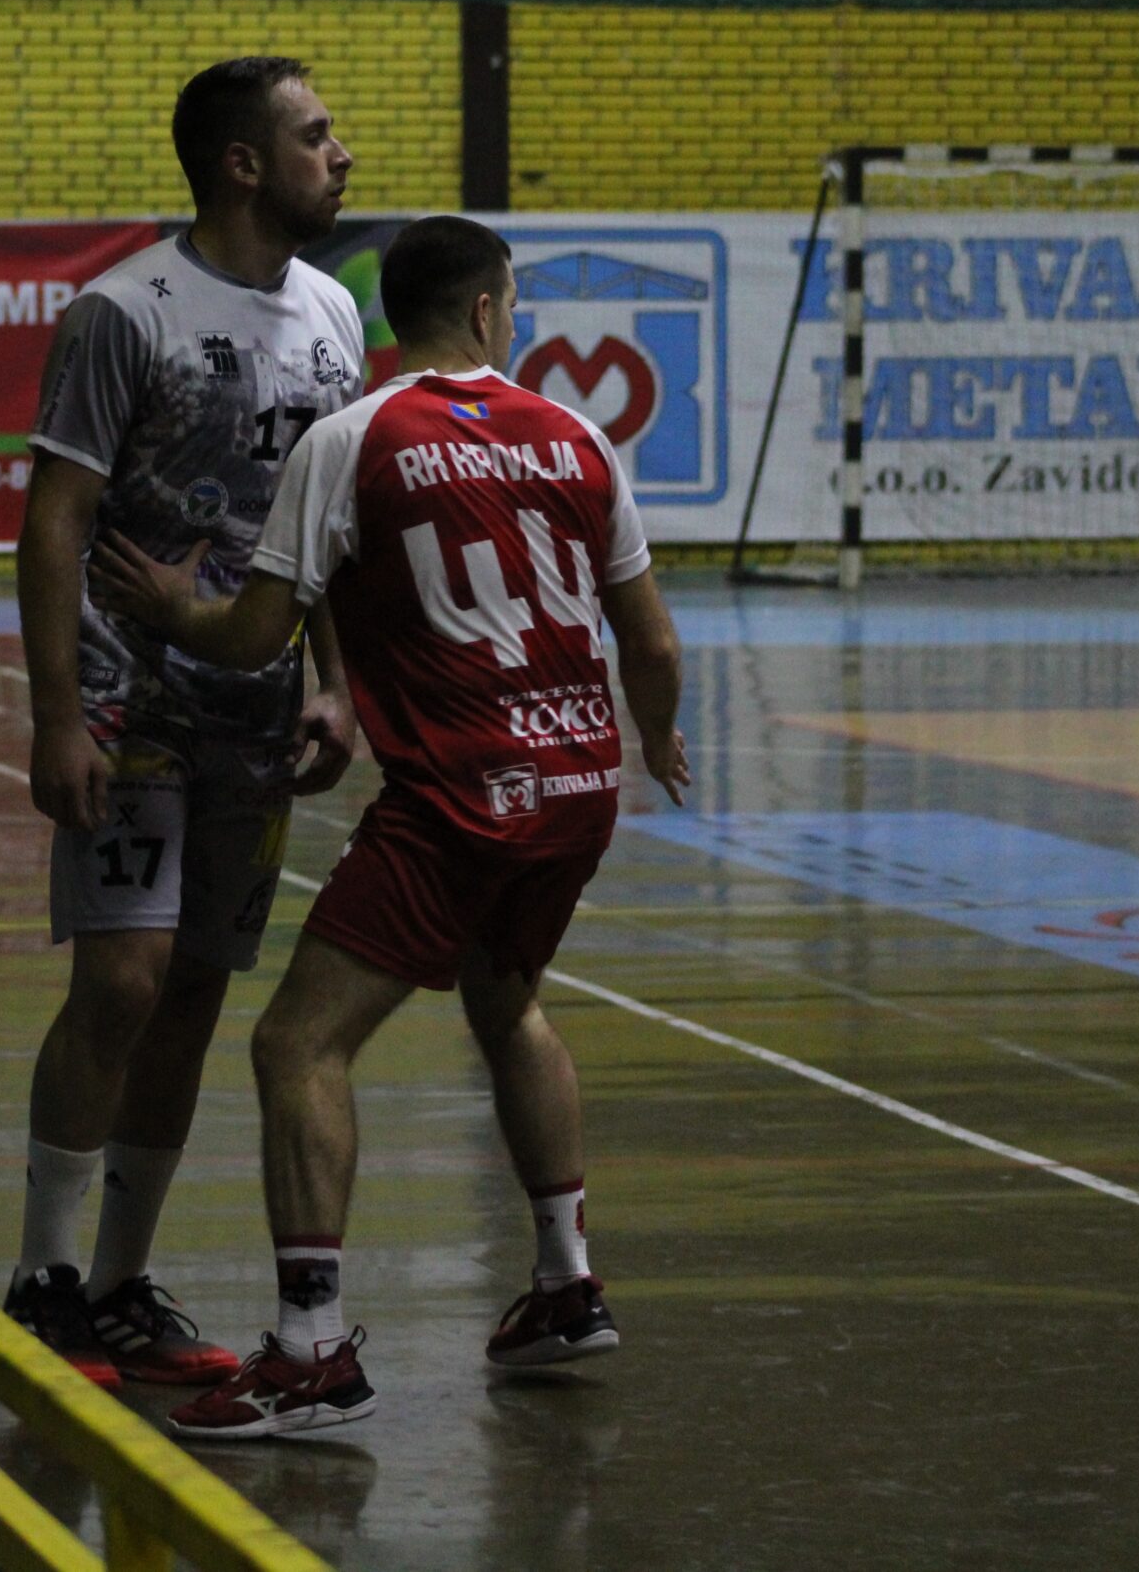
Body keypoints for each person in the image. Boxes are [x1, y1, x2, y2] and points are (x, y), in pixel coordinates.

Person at [88, 214, 690, 1440]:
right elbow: (655, 643)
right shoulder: (576, 435)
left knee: (295, 1046)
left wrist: (172, 605)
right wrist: (659, 738)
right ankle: (565, 1282)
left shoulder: (352, 438)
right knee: (507, 1001)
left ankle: (311, 1352)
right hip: (580, 785)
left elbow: (254, 637)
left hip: (461, 796)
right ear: (487, 311)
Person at [7, 56, 366, 1390]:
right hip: (131, 697)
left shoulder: (335, 312)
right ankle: (42, 1280)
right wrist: (59, 716)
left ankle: (119, 1284)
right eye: (316, 135)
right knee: (123, 980)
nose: (341, 153)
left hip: (255, 710)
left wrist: (335, 680)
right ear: (241, 163)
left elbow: (326, 524)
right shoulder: (124, 310)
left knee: (197, 991)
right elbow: (53, 521)